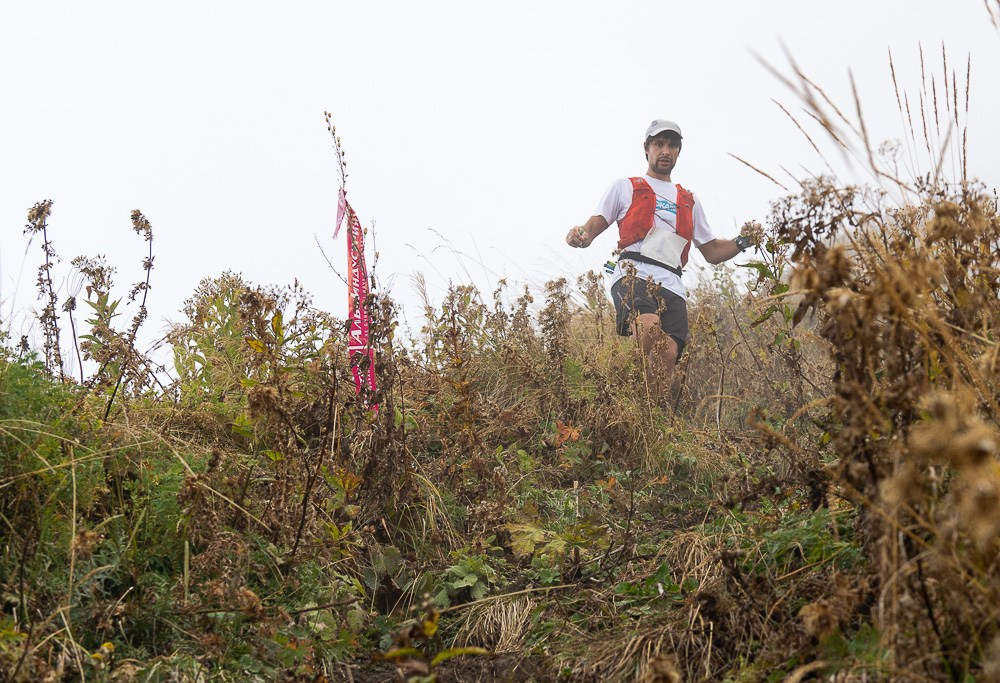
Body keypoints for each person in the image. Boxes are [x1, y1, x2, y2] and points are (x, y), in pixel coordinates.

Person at [566, 119, 758, 400]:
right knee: (647, 329)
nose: (665, 150)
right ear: (647, 148)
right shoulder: (626, 187)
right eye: (659, 144)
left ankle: (649, 416)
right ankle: (618, 392)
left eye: (672, 145)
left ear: (679, 152)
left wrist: (743, 241)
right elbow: (594, 225)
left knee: (667, 353)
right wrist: (580, 235)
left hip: (673, 284)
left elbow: (712, 251)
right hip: (635, 274)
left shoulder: (689, 200)